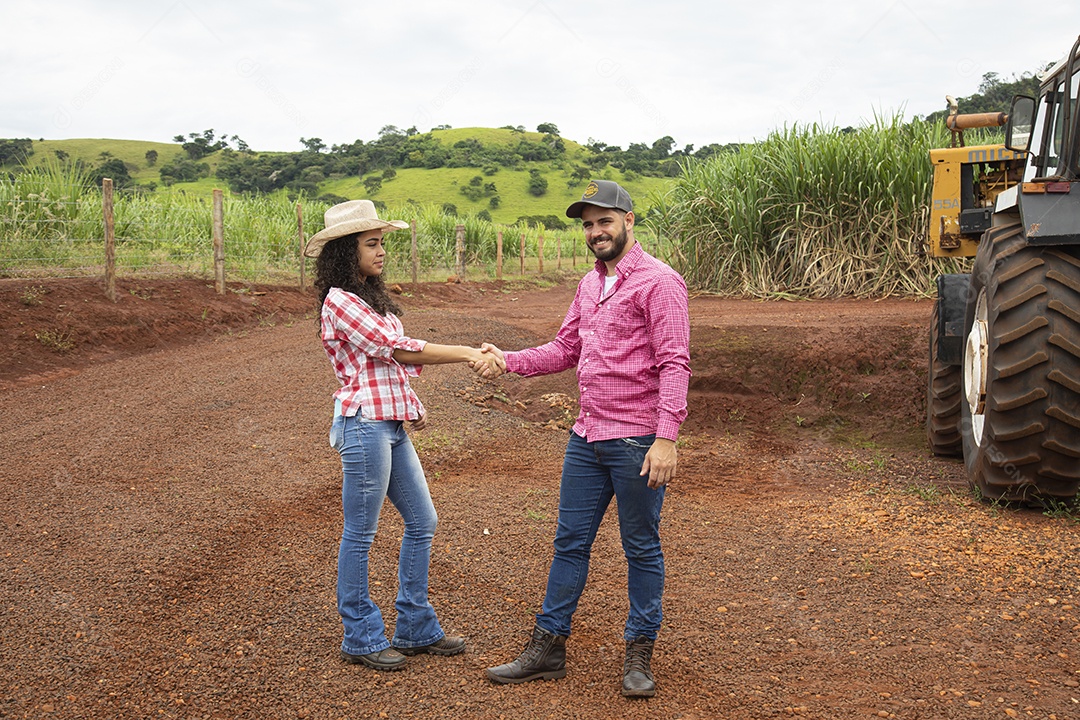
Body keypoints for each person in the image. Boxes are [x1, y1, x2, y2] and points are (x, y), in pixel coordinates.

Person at [480, 180, 691, 697]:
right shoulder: (589, 284)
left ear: (629, 221)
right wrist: (506, 360)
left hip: (638, 440)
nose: (596, 232)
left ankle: (638, 655)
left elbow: (674, 362)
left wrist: (667, 438)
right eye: (588, 224)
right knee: (569, 543)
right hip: (587, 437)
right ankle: (548, 646)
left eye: (605, 221)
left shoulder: (659, 283)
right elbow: (565, 347)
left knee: (641, 548)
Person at [308, 199, 502, 671]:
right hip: (364, 427)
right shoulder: (340, 301)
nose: (381, 252)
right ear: (343, 251)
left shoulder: (368, 297)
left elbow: (390, 365)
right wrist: (466, 352)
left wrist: (410, 406)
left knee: (423, 521)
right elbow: (394, 347)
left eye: (381, 244)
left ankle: (414, 625)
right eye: (371, 244)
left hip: (388, 425)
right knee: (361, 532)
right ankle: (360, 635)